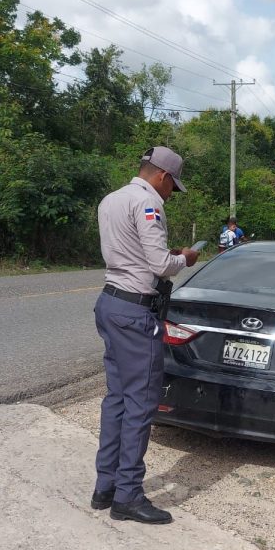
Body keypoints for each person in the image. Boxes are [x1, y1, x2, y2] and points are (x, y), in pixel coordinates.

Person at [92, 146, 198, 525]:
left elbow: (129, 251)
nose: (171, 193)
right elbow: (159, 265)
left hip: (109, 304)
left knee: (117, 398)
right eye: (173, 186)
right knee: (140, 403)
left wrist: (163, 255)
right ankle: (128, 496)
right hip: (136, 313)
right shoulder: (150, 204)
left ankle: (105, 486)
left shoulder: (112, 199)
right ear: (163, 177)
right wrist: (184, 258)